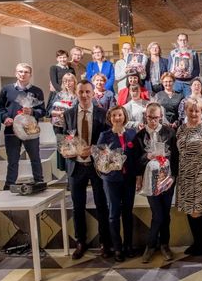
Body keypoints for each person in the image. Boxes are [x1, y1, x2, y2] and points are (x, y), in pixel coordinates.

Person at [62, 79, 112, 260]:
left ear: (93, 93)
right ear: (76, 93)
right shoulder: (68, 114)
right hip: (76, 166)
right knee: (77, 206)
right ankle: (80, 242)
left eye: (87, 92)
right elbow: (65, 137)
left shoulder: (102, 113)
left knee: (102, 206)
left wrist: (94, 149)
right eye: (81, 92)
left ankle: (105, 243)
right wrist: (67, 149)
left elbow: (108, 140)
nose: (84, 95)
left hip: (96, 165)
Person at [133, 102, 179, 263]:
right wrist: (147, 157)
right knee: (158, 214)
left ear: (161, 117)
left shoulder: (169, 132)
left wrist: (174, 176)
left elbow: (175, 157)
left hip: (167, 179)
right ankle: (151, 245)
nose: (153, 121)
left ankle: (164, 245)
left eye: (156, 117)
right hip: (150, 181)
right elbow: (135, 161)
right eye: (150, 117)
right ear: (146, 116)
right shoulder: (140, 136)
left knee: (165, 214)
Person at [176, 97, 202, 256]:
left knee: (197, 210)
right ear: (186, 111)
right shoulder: (181, 129)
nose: (194, 113)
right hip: (185, 175)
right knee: (189, 209)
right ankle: (199, 243)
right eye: (191, 110)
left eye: (197, 110)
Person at [96, 106, 137, 262]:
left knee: (128, 213)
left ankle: (128, 246)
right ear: (110, 118)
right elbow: (99, 159)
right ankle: (117, 248)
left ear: (124, 116)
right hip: (111, 179)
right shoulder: (104, 136)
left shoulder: (132, 134)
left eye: (120, 115)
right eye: (114, 115)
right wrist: (106, 157)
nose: (117, 118)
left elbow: (136, 157)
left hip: (129, 179)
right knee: (113, 215)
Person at [0, 63, 45, 190]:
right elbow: (1, 108)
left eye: (26, 72)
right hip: (11, 131)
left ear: (30, 74)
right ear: (15, 73)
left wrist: (33, 112)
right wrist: (5, 118)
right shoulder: (6, 89)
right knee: (12, 160)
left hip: (30, 131)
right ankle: (9, 185)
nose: (23, 74)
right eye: (20, 71)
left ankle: (39, 182)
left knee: (35, 158)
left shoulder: (37, 91)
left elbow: (43, 111)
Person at [47, 73, 77, 172]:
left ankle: (71, 175)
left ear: (74, 82)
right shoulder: (58, 95)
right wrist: (57, 112)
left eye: (70, 81)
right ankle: (66, 173)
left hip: (72, 126)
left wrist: (67, 113)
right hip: (59, 125)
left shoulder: (77, 95)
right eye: (65, 81)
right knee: (62, 149)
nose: (68, 83)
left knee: (72, 149)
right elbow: (49, 110)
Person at [168, 33, 200, 97]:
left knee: (188, 103)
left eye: (184, 40)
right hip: (176, 83)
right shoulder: (172, 53)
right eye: (181, 40)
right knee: (175, 103)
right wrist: (173, 74)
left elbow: (197, 69)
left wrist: (190, 75)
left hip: (189, 83)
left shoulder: (193, 53)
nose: (183, 42)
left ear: (187, 41)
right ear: (177, 41)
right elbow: (169, 68)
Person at [47, 50, 75, 114]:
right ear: (57, 58)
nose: (62, 59)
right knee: (57, 114)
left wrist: (71, 93)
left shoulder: (71, 69)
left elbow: (74, 81)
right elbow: (54, 82)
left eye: (64, 57)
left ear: (67, 58)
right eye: (60, 57)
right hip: (58, 93)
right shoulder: (54, 68)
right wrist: (63, 93)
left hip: (70, 94)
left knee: (69, 112)